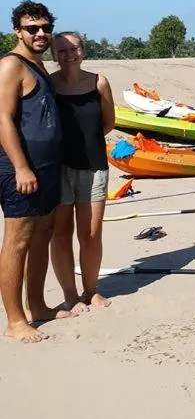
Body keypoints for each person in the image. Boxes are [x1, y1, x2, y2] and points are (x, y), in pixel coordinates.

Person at [0, 0, 74, 342]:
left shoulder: (38, 66)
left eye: (46, 27)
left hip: (47, 166)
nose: (41, 33)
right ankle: (15, 320)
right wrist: (20, 166)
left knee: (43, 233)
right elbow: (2, 119)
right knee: (18, 241)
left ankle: (38, 305)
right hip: (21, 168)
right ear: (18, 31)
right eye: (33, 28)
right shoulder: (11, 65)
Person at [49, 31, 115, 313]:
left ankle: (91, 290)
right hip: (58, 167)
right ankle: (70, 295)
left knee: (90, 233)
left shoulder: (99, 82)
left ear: (83, 51)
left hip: (94, 166)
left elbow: (108, 122)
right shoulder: (49, 84)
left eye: (73, 48)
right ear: (54, 55)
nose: (68, 55)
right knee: (60, 233)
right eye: (61, 50)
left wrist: (85, 144)